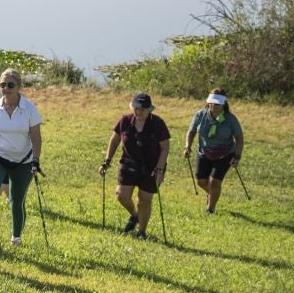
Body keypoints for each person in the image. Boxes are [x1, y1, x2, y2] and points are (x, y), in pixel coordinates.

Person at [0, 68, 43, 247]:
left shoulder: (29, 109)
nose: (5, 89)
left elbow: (36, 138)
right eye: (2, 85)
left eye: (10, 85)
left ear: (19, 86)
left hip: (23, 161)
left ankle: (16, 239)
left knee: (16, 199)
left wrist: (35, 160)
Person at [104, 92, 171, 237]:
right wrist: (107, 161)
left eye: (143, 109)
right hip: (129, 164)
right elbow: (115, 140)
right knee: (121, 195)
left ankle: (142, 231)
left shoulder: (158, 124)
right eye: (136, 108)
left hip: (152, 167)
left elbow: (165, 147)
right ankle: (135, 215)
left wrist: (160, 169)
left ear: (149, 110)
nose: (139, 111)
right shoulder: (125, 121)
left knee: (144, 200)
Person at [184, 88, 244, 215]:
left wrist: (237, 156)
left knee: (214, 182)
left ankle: (210, 209)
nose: (214, 106)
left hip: (225, 153)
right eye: (212, 103)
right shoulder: (200, 115)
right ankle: (212, 194)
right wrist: (187, 146)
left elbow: (239, 138)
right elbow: (191, 132)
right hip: (204, 151)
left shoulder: (230, 119)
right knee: (201, 182)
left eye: (218, 103)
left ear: (224, 104)